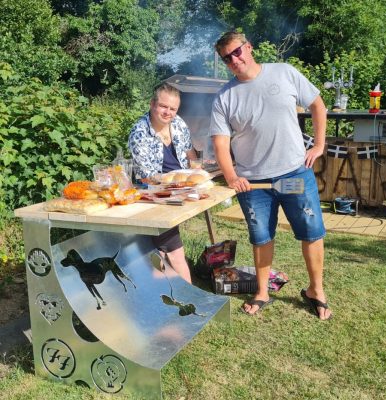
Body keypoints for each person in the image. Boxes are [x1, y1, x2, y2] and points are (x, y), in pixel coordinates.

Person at [209, 32, 332, 320]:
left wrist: (319, 144)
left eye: (237, 52)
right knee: (261, 237)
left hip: (293, 174)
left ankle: (316, 290)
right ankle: (262, 292)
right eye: (227, 58)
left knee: (311, 232)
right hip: (254, 183)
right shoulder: (224, 97)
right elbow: (220, 143)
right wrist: (230, 175)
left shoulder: (284, 73)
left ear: (248, 47)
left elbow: (318, 105)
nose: (234, 60)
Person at [128, 83, 198, 283]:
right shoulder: (139, 133)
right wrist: (179, 187)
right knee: (174, 252)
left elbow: (188, 151)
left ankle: (162, 291)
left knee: (160, 251)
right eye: (163, 106)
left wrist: (196, 170)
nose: (168, 112)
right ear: (152, 104)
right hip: (155, 197)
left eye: (173, 108)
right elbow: (147, 178)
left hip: (183, 191)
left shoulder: (179, 124)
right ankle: (190, 303)